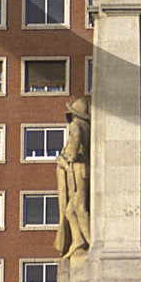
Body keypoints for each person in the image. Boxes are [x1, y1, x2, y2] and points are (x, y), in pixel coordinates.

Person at [54, 97, 90, 261]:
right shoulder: (87, 127)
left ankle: (90, 241)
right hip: (79, 169)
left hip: (76, 170)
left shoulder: (76, 126)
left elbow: (73, 151)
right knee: (70, 211)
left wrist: (64, 159)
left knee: (79, 207)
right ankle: (78, 239)